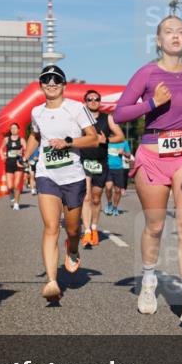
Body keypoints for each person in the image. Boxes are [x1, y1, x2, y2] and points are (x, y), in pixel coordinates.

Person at [114, 15, 182, 324]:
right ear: (158, 41)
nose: (175, 36)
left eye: (180, 32)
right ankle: (148, 280)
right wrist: (151, 103)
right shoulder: (146, 73)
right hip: (153, 154)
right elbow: (119, 114)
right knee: (155, 226)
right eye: (168, 32)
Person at [21, 65, 99, 302]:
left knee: (72, 229)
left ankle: (72, 249)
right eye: (46, 79)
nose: (51, 82)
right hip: (47, 175)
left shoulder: (76, 108)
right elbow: (35, 135)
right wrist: (25, 156)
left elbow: (93, 139)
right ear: (41, 84)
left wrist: (67, 142)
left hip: (73, 177)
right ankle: (52, 282)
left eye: (56, 79)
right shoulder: (37, 112)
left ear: (64, 85)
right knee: (50, 227)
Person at [79, 90, 124, 248]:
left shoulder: (108, 118)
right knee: (87, 196)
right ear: (85, 101)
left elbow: (121, 136)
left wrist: (107, 139)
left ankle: (94, 228)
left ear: (100, 101)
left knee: (97, 198)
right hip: (83, 161)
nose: (93, 101)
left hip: (100, 162)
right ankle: (86, 232)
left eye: (96, 99)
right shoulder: (80, 118)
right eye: (89, 99)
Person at [0, 123, 26, 210]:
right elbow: (0, 149)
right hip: (9, 163)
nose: (13, 130)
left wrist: (24, 158)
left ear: (18, 130)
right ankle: (11, 194)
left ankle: (16, 204)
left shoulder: (22, 140)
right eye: (12, 128)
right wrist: (2, 156)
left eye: (15, 128)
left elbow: (26, 150)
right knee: (10, 186)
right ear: (10, 130)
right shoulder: (7, 139)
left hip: (18, 163)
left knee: (16, 185)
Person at [105, 136, 131, 216]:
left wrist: (123, 153)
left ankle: (115, 208)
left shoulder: (124, 142)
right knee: (108, 188)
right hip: (108, 167)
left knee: (118, 191)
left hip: (119, 169)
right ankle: (109, 204)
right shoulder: (107, 140)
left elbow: (129, 155)